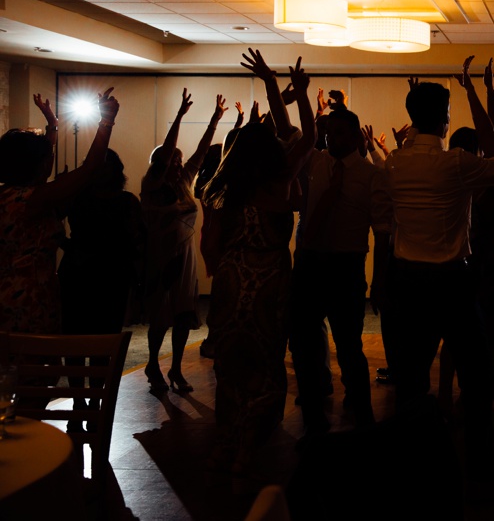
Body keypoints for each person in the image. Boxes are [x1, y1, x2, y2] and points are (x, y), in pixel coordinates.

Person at [376, 70, 494, 482]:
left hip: (408, 281)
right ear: (445, 118)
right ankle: (478, 470)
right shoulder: (456, 164)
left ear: (412, 118)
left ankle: (411, 470)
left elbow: (414, 140)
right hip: (451, 283)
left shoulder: (394, 163)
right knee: (477, 380)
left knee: (411, 380)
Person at [202, 49, 315, 479]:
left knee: (230, 366)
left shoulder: (221, 191)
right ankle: (247, 450)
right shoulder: (279, 181)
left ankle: (223, 444)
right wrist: (292, 91)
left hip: (231, 278)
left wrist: (225, 275)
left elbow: (211, 248)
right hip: (269, 280)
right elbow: (308, 135)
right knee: (266, 365)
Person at [290, 106, 391, 435]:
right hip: (312, 264)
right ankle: (314, 422)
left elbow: (382, 232)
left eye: (339, 133)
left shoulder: (370, 175)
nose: (331, 138)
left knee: (349, 347)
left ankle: (363, 419)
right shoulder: (317, 162)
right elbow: (292, 132)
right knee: (304, 346)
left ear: (355, 135)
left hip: (346, 268)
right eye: (328, 133)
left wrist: (380, 280)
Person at [0, 90, 120, 335]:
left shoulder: (9, 195)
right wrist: (106, 121)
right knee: (32, 357)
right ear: (40, 164)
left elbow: (41, 157)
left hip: (9, 293)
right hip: (27, 301)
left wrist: (52, 125)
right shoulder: (33, 199)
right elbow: (90, 168)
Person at [141, 89, 226, 394]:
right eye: (172, 160)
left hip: (185, 258)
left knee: (182, 315)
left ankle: (175, 368)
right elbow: (167, 152)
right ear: (160, 164)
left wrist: (215, 121)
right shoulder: (152, 186)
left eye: (179, 160)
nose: (178, 163)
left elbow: (201, 154)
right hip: (162, 257)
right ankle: (153, 363)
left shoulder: (185, 182)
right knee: (161, 317)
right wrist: (179, 116)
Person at [59, 148, 144, 430]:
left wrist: (72, 248)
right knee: (95, 342)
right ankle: (88, 402)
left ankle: (84, 402)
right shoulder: (126, 202)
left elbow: (54, 227)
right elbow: (137, 241)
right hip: (109, 275)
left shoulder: (77, 198)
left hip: (83, 272)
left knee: (82, 341)